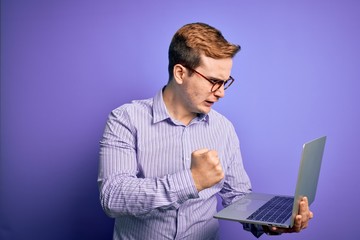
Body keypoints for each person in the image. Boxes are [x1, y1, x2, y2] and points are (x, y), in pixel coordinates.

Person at [98, 22, 313, 239]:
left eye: (225, 82)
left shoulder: (223, 128)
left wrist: (271, 222)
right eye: (213, 81)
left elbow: (238, 198)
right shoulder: (125, 119)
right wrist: (192, 181)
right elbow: (112, 197)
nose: (221, 93)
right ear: (180, 73)